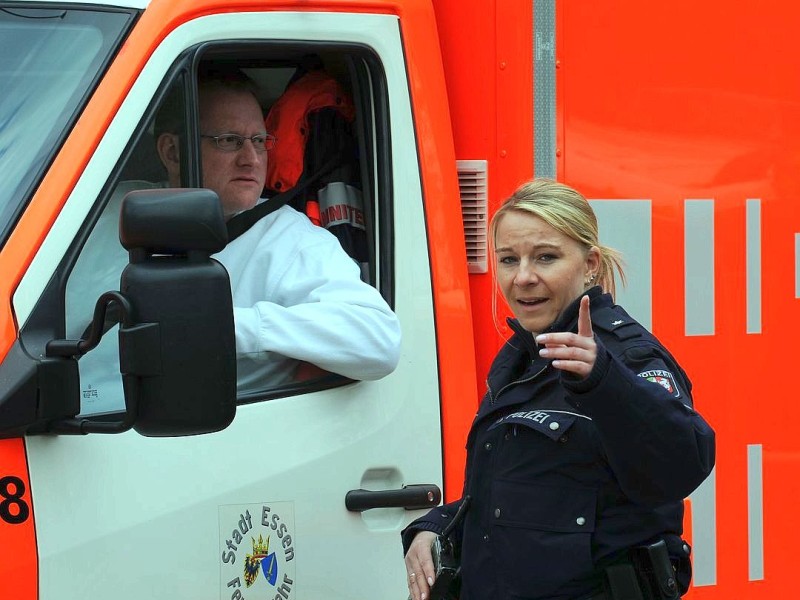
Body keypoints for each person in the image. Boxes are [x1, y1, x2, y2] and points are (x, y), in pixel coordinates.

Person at [401, 179, 715, 600]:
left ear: (590, 264)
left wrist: (602, 380)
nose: (523, 277)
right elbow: (528, 496)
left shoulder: (623, 355)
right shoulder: (523, 355)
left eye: (546, 257)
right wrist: (437, 528)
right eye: (509, 260)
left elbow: (682, 465)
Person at [67, 65, 401, 414]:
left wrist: (227, 325)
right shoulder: (109, 210)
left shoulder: (288, 236)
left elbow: (378, 341)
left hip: (177, 442)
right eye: (229, 141)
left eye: (259, 141)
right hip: (54, 419)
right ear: (171, 152)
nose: (252, 159)